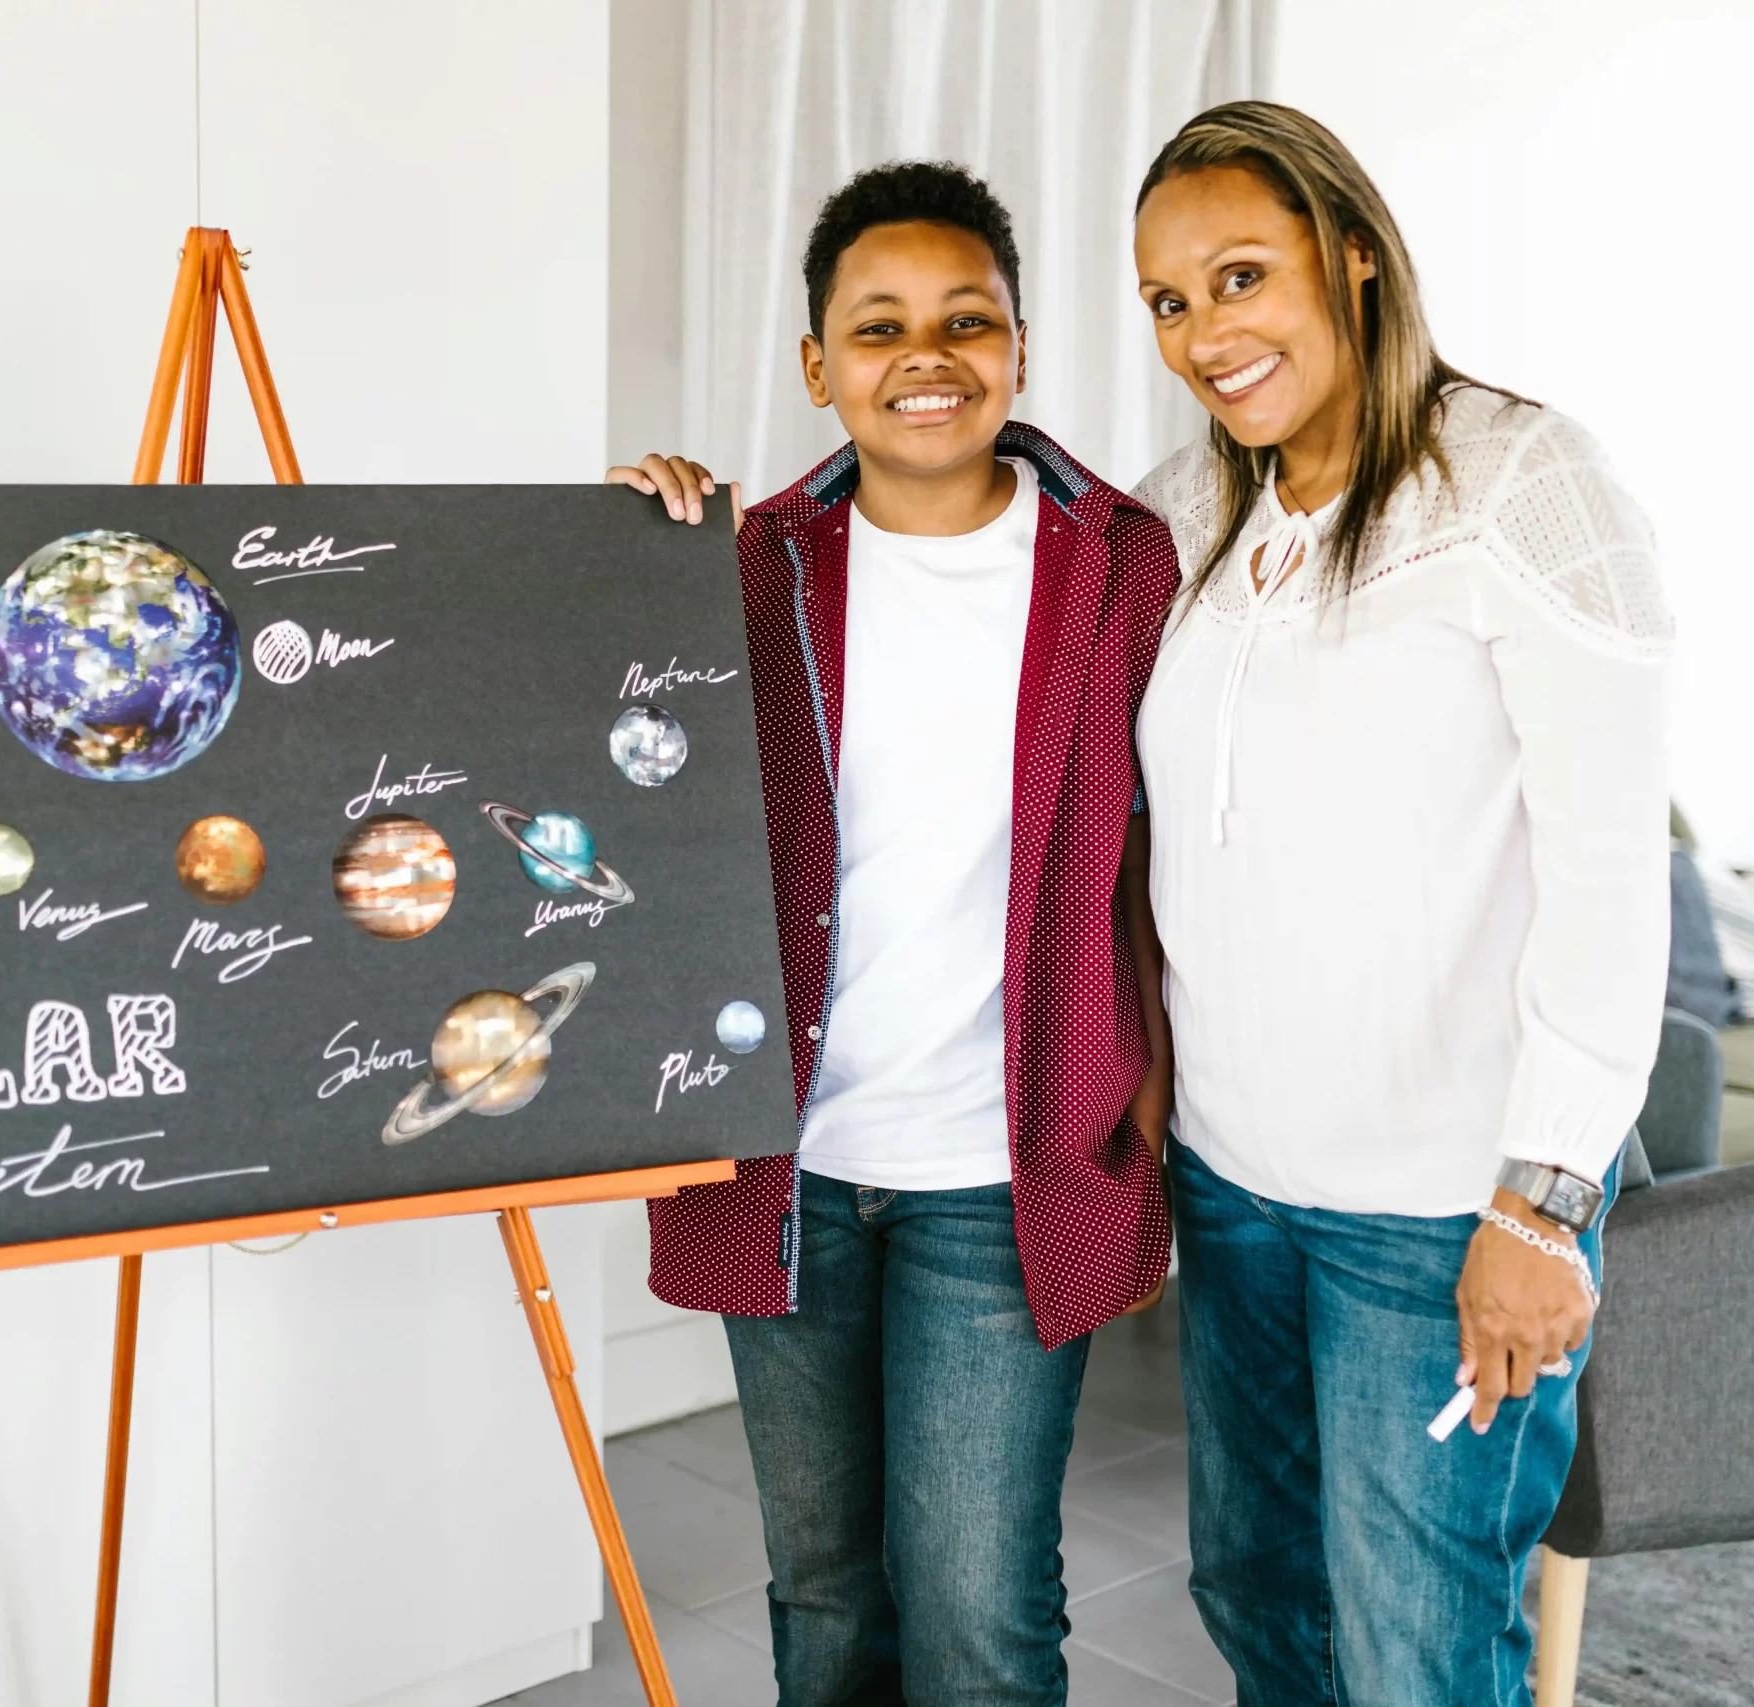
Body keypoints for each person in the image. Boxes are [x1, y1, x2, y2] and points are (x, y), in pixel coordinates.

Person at [608, 161, 1179, 1704]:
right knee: (825, 1593)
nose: (926, 355)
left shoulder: (1121, 565)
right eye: (878, 326)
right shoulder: (745, 569)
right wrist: (620, 567)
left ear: (1021, 347)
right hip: (788, 1162)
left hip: (1005, 1167)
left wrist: (1152, 1116)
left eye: (965, 320)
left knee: (981, 1606)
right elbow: (617, 785)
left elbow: (1158, 856)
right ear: (817, 366)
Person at [1126, 102, 1672, 1704]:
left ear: (1352, 254)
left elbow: (1607, 870)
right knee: (1259, 1602)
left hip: (1441, 1211)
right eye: (1168, 300)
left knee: (1418, 1652)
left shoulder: (1519, 482)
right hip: (1234, 1182)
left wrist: (1543, 1203)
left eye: (1241, 276)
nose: (1205, 333)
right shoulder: (1191, 508)